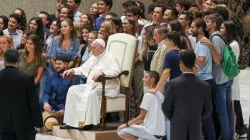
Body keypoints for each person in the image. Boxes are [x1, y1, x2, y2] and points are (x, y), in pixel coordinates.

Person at [60, 39, 121, 130]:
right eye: (91, 47)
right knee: (72, 90)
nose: (91, 49)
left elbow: (116, 71)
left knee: (92, 94)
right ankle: (71, 122)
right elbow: (83, 69)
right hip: (92, 85)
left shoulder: (110, 57)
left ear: (102, 48)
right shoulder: (93, 57)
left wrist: (102, 73)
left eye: (94, 47)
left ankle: (89, 123)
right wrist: (72, 70)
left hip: (107, 85)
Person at [162, 50, 213, 140]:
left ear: (181, 63)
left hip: (177, 127)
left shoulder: (172, 84)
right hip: (195, 127)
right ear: (194, 63)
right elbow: (208, 109)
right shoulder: (204, 85)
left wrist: (175, 118)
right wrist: (196, 116)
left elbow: (166, 107)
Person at [201, 13, 234, 139]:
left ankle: (226, 137)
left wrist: (210, 46)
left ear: (214, 24)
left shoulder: (214, 38)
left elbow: (218, 59)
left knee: (222, 113)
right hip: (226, 78)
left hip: (220, 80)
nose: (205, 24)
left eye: (207, 21)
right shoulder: (219, 36)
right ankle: (229, 136)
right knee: (227, 111)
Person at [0, 49, 43, 140]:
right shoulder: (26, 78)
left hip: (2, 126)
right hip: (24, 126)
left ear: (4, 61)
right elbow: (33, 102)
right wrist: (39, 123)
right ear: (18, 62)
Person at [117, 71, 165, 140]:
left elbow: (141, 117)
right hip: (160, 134)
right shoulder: (161, 95)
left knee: (120, 130)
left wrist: (126, 124)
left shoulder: (148, 95)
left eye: (145, 77)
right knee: (138, 126)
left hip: (151, 133)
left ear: (152, 80)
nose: (143, 79)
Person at [190, 18, 217, 140]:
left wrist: (189, 56)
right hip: (203, 80)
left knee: (205, 115)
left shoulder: (202, 43)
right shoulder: (200, 42)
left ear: (199, 29)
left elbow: (201, 62)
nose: (191, 29)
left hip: (204, 80)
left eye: (193, 27)